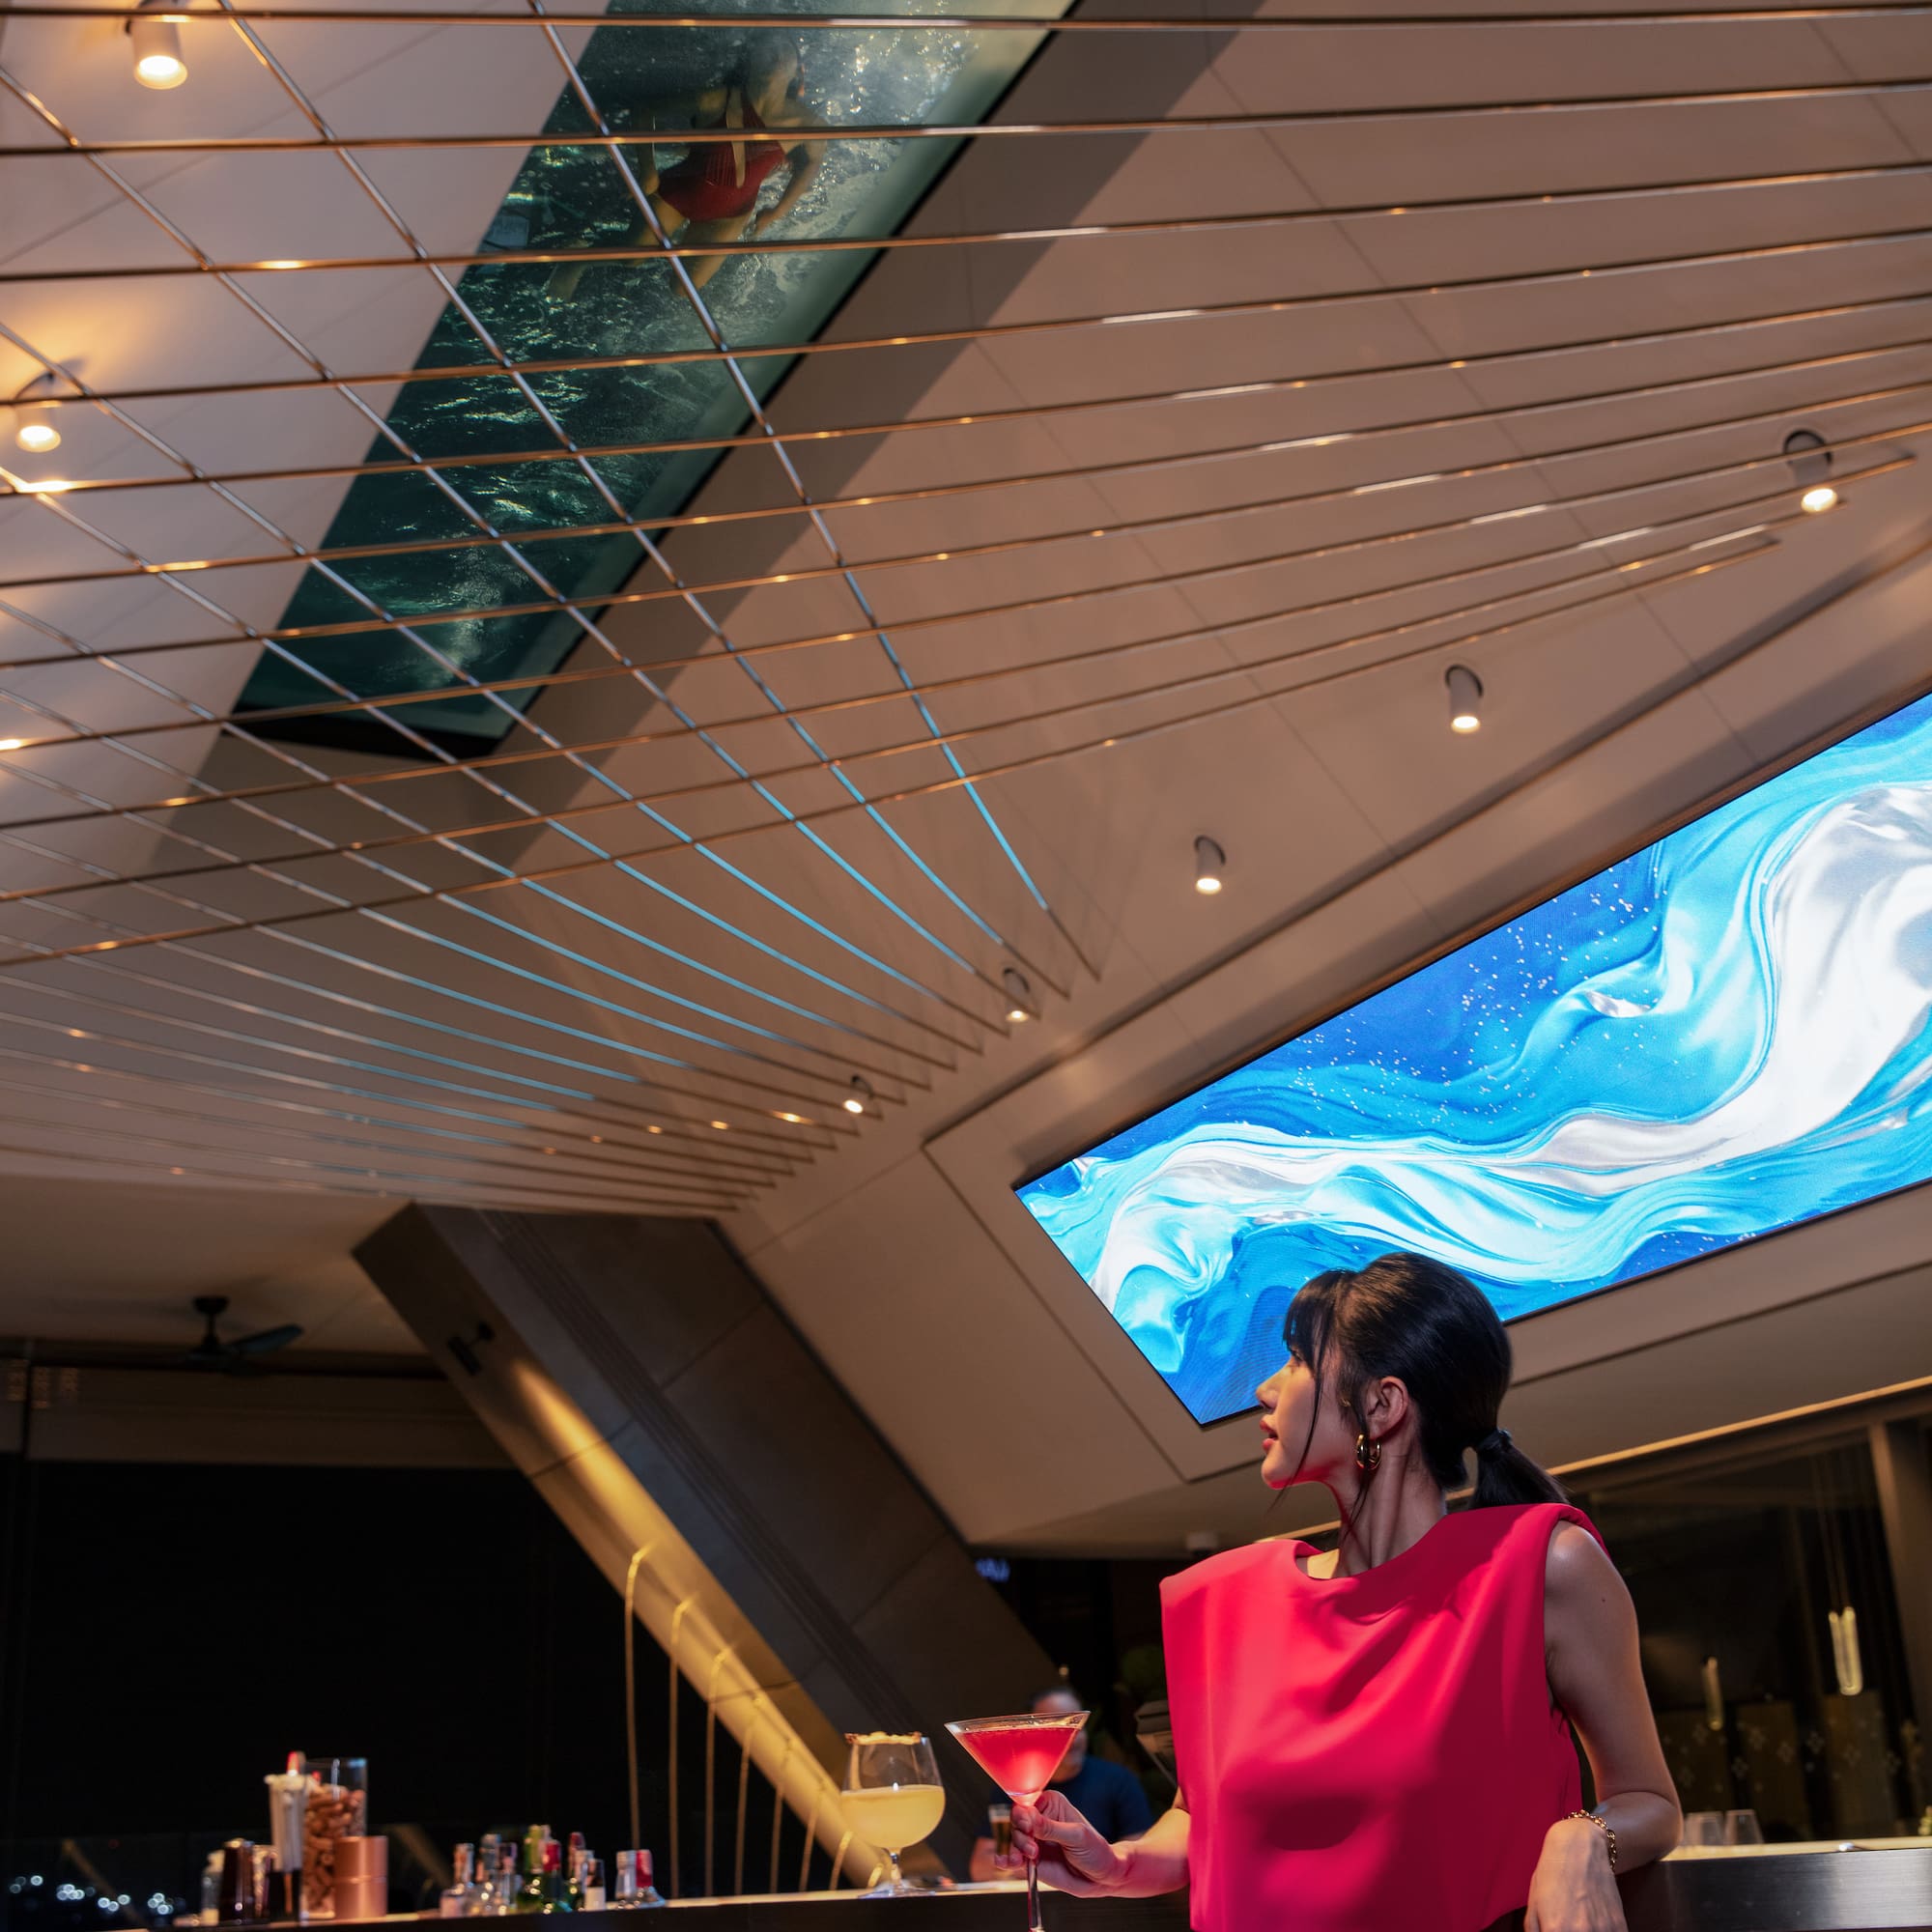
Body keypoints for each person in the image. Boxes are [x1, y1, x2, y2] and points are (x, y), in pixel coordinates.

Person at [1003, 1252, 1683, 1932]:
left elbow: (1648, 1800)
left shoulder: (1539, 1567)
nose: (1266, 1390)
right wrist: (1116, 1864)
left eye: (1297, 1360)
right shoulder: (1220, 1603)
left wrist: (1582, 1837)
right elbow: (1198, 1821)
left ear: (1382, 1405)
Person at [548, 36, 826, 300]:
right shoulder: (716, 100)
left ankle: (670, 244)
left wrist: (778, 210)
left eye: (784, 51)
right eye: (768, 49)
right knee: (631, 258)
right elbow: (644, 111)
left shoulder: (807, 124)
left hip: (730, 215)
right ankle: (580, 257)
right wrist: (648, 172)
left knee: (682, 289)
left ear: (798, 72)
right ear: (749, 62)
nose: (776, 56)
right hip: (677, 194)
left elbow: (813, 162)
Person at [966, 1687, 1151, 1884]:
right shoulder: (1011, 1786)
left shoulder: (1118, 1780)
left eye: (1076, 1725)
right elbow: (979, 1867)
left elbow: (1139, 1860)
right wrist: (1042, 1866)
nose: (1072, 1737)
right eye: (1054, 1726)